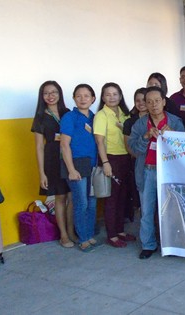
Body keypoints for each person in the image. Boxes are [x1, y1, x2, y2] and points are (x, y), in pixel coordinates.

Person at [128, 86, 185, 259]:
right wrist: (145, 137)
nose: (153, 105)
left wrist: (173, 135)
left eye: (157, 101)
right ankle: (148, 245)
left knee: (171, 210)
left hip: (168, 172)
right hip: (147, 171)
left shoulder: (174, 121)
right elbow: (132, 148)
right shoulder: (140, 123)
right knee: (146, 210)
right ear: (144, 104)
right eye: (149, 102)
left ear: (164, 102)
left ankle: (172, 244)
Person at [31, 81, 76, 248]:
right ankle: (63, 235)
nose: (50, 96)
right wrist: (42, 173)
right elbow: (39, 146)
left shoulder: (67, 113)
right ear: (42, 96)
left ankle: (71, 231)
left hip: (69, 158)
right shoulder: (41, 117)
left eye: (54, 92)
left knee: (72, 196)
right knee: (60, 196)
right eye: (46, 93)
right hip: (52, 160)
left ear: (60, 94)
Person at [94, 83, 136, 248]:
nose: (112, 97)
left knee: (123, 197)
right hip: (111, 159)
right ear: (103, 97)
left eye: (115, 94)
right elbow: (99, 141)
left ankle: (120, 231)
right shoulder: (101, 115)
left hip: (125, 158)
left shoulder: (125, 114)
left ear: (120, 96)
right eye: (108, 94)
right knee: (112, 199)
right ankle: (111, 235)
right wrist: (105, 163)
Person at [59, 84, 98, 252]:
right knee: (81, 202)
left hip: (92, 164)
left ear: (93, 99)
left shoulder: (94, 117)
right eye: (79, 96)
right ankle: (82, 238)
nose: (83, 99)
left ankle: (88, 235)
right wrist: (71, 169)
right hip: (76, 165)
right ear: (74, 98)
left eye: (87, 96)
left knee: (92, 202)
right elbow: (64, 145)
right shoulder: (69, 117)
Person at [122, 88, 149, 222]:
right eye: (137, 100)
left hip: (155, 163)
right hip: (137, 163)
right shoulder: (129, 122)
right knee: (141, 200)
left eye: (144, 100)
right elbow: (129, 147)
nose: (141, 103)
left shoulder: (157, 119)